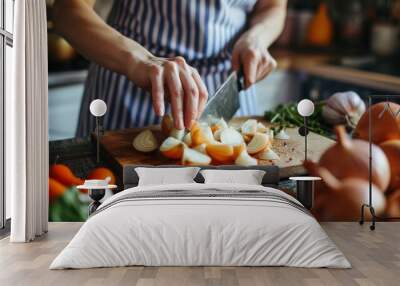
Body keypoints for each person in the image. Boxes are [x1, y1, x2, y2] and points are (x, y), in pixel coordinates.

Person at [53, 0, 287, 137]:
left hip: (229, 85)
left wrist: (258, 37)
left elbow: (273, 6)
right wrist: (140, 61)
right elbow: (69, 12)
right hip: (132, 82)